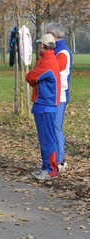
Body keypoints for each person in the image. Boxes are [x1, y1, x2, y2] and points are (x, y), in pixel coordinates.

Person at [26, 33, 61, 181]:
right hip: (42, 105)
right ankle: (45, 167)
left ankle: (51, 170)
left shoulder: (48, 62)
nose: (39, 46)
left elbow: (30, 77)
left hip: (46, 105)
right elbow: (33, 78)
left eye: (40, 43)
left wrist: (34, 80)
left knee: (48, 140)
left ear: (43, 45)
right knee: (44, 140)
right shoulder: (46, 60)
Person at [45, 22, 72, 172]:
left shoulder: (62, 52)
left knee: (56, 128)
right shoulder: (56, 50)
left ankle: (60, 161)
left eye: (48, 33)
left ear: (54, 35)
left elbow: (52, 70)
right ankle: (54, 159)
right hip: (54, 94)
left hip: (60, 95)